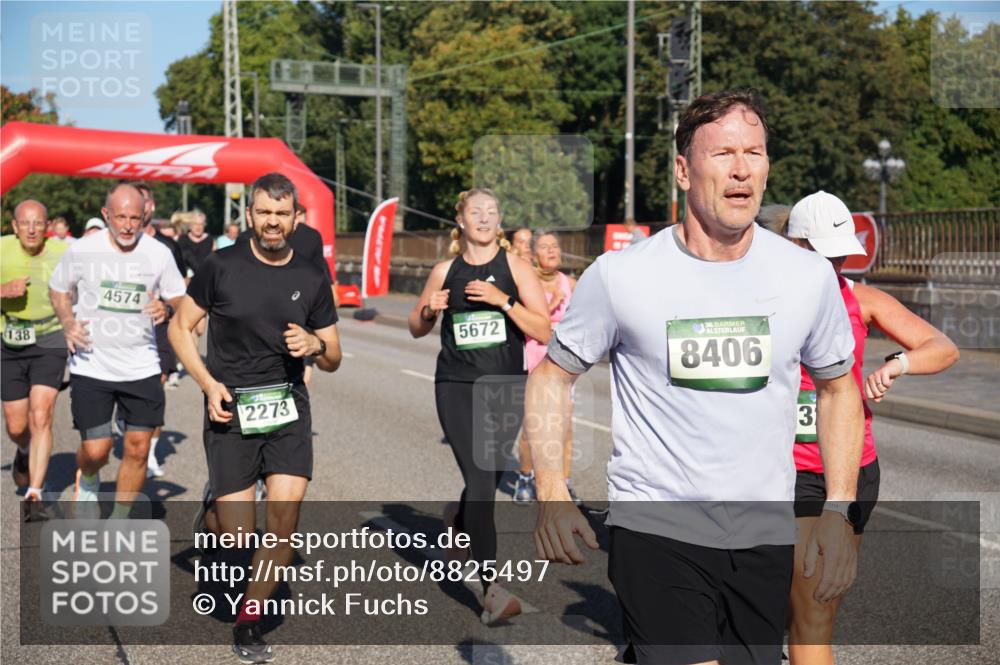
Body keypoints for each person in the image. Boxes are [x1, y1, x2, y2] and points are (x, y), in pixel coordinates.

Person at [524, 89, 866, 665]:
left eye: (754, 153)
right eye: (724, 153)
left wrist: (838, 509)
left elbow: (839, 390)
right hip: (656, 525)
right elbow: (553, 378)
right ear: (683, 170)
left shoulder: (807, 277)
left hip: (763, 530)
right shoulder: (622, 276)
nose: (741, 169)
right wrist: (552, 490)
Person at [169, 172, 342, 664]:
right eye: (264, 212)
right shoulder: (219, 266)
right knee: (238, 534)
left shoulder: (311, 275)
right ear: (250, 214)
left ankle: (249, 621)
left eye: (281, 214)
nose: (272, 222)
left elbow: (334, 356)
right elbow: (181, 330)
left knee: (283, 521)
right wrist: (207, 383)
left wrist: (315, 346)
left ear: (295, 218)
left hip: (287, 407)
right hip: (231, 406)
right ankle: (211, 518)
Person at [782, 191, 960, 665]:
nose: (834, 263)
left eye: (840, 254)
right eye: (823, 254)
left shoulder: (862, 300)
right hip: (786, 471)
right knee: (802, 611)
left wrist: (898, 364)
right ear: (792, 246)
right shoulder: (764, 301)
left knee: (817, 607)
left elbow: (942, 346)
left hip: (855, 470)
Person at [408, 188, 551, 625]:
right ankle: (491, 589)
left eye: (492, 212)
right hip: (455, 384)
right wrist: (429, 310)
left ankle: (456, 525)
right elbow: (415, 327)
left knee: (487, 475)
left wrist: (503, 302)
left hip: (505, 385)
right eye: (476, 212)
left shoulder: (515, 268)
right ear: (462, 221)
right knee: (482, 481)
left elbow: (543, 330)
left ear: (499, 221)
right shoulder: (443, 270)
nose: (485, 219)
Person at [48, 182, 186, 518]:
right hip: (92, 363)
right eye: (120, 217)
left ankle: (120, 520)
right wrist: (68, 321)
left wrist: (167, 310)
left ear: (145, 216)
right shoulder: (83, 249)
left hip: (142, 365)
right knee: (97, 450)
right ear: (105, 214)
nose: (127, 225)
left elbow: (180, 298)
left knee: (138, 448)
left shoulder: (158, 253)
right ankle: (90, 479)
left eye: (134, 218)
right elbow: (58, 289)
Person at [2, 200, 69, 512]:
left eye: (38, 223)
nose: (31, 229)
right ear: (14, 226)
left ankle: (35, 491)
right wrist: (2, 290)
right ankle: (25, 449)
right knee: (17, 425)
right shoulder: (2, 249)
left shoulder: (63, 253)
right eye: (25, 223)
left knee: (42, 414)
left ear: (48, 227)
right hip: (8, 340)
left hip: (50, 339)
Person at [512, 230, 578, 506]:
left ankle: (563, 484)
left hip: (563, 363)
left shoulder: (570, 283)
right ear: (534, 254)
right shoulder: (527, 281)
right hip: (534, 358)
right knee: (533, 427)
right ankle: (526, 477)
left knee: (565, 427)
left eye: (555, 246)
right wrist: (546, 308)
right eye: (544, 247)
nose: (551, 251)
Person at [135, 184, 188, 477]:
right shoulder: (114, 243)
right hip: (122, 330)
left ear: (151, 207)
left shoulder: (169, 247)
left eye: (142, 203)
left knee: (157, 385)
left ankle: (151, 453)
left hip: (159, 326)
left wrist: (169, 310)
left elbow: (180, 292)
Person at [177, 208, 216, 276]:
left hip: (206, 277)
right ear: (190, 226)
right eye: (195, 224)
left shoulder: (210, 240)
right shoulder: (182, 239)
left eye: (201, 224)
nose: (198, 227)